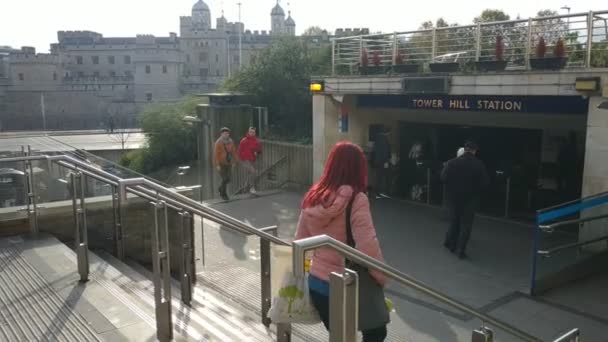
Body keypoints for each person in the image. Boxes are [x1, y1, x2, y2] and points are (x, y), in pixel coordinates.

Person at [295, 141, 388, 341]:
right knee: (376, 332)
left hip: (317, 283)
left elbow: (300, 240)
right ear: (359, 168)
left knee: (341, 335)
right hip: (345, 283)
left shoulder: (314, 196)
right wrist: (381, 276)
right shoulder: (357, 199)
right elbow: (367, 246)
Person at [441, 141, 489, 259]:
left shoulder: (452, 162)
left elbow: (443, 177)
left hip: (454, 197)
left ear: (465, 149)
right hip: (470, 199)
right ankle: (461, 250)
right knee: (466, 225)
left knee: (455, 221)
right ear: (474, 151)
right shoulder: (479, 164)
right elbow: (485, 183)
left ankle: (452, 245)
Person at [214, 127, 237, 200]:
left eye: (227, 133)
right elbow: (216, 154)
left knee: (228, 179)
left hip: (229, 162)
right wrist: (217, 165)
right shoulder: (218, 142)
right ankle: (224, 194)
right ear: (221, 134)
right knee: (225, 178)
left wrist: (234, 161)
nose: (226, 135)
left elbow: (233, 152)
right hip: (221, 163)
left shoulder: (231, 141)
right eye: (224, 133)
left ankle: (220, 188)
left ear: (229, 134)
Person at [238, 127, 262, 194]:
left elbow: (259, 150)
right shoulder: (243, 140)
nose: (252, 133)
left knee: (249, 174)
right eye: (250, 132)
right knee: (253, 172)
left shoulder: (257, 141)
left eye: (253, 132)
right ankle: (252, 187)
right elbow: (239, 151)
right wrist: (241, 159)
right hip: (244, 160)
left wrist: (257, 152)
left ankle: (245, 188)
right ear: (248, 132)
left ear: (255, 133)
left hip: (252, 159)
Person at [373, 127, 391, 198]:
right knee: (385, 176)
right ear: (387, 132)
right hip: (383, 161)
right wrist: (386, 161)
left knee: (378, 176)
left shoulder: (377, 138)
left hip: (377, 160)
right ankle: (383, 192)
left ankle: (377, 192)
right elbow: (385, 151)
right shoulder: (384, 139)